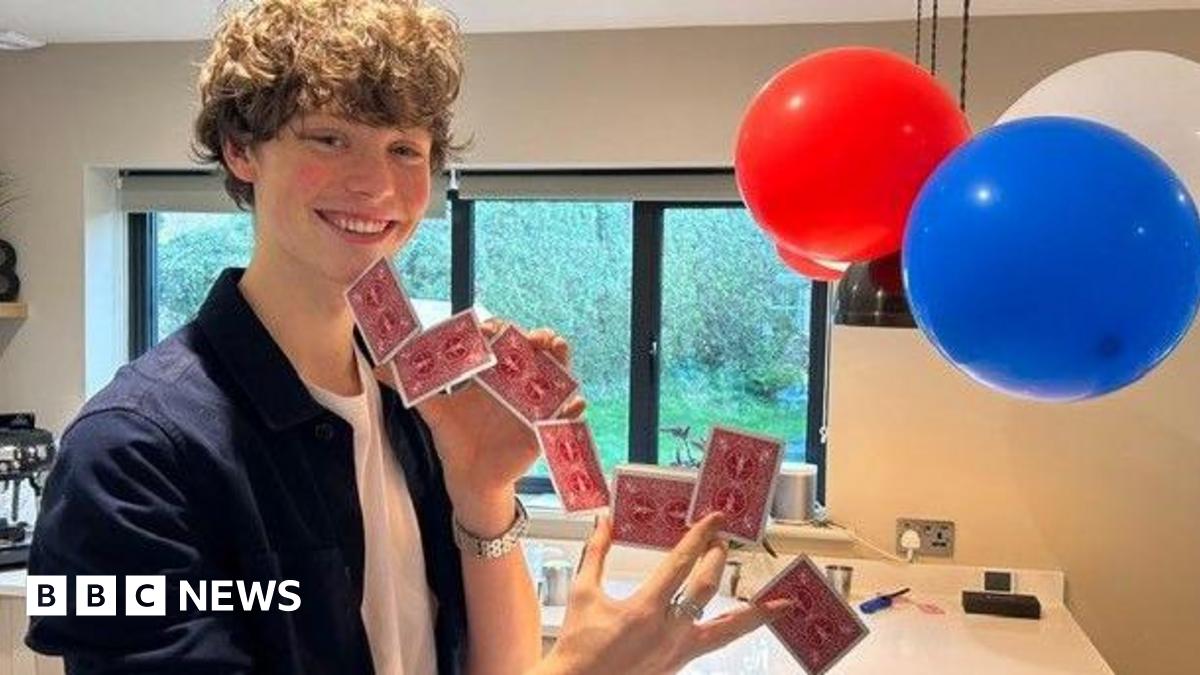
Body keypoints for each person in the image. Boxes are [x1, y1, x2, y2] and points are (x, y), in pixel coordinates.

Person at [25, 1, 794, 673]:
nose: (377, 186)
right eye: (328, 138)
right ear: (241, 149)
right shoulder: (128, 455)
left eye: (405, 149)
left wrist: (483, 488)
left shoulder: (419, 406)